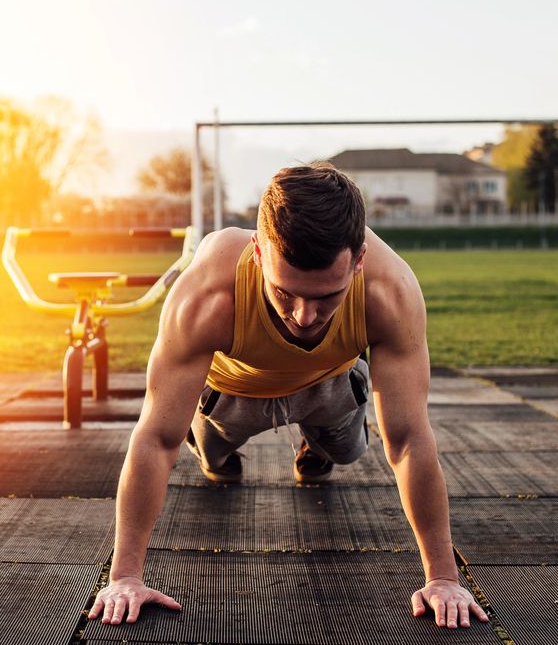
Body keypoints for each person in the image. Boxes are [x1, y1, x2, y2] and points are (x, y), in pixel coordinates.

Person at [86, 163, 490, 631]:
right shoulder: (207, 293)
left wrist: (442, 578)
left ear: (359, 260)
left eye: (327, 297)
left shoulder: (389, 290)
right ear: (257, 253)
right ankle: (216, 446)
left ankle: (316, 442)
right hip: (233, 391)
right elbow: (156, 438)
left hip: (329, 386)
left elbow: (407, 440)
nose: (304, 316)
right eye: (286, 293)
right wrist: (124, 577)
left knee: (346, 450)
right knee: (215, 461)